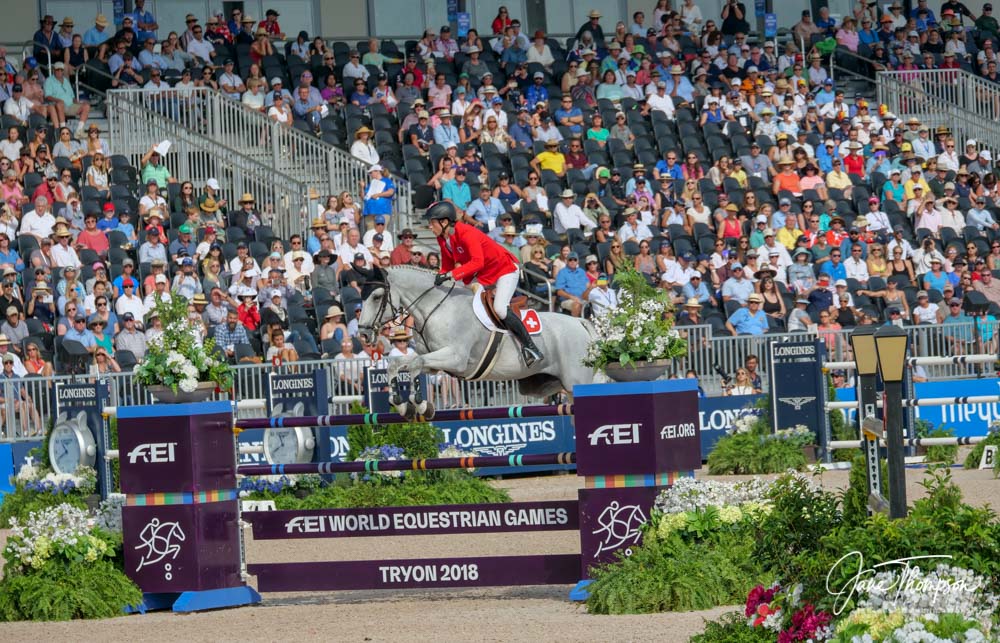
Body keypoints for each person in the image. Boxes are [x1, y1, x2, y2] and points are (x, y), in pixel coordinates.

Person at [426, 201, 543, 365]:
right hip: (484, 275)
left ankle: (530, 347)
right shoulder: (443, 239)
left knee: (500, 309)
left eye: (432, 222)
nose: (430, 227)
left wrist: (451, 275)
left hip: (505, 269)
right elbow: (446, 265)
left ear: (444, 222)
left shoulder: (467, 233)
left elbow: (477, 262)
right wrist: (438, 280)